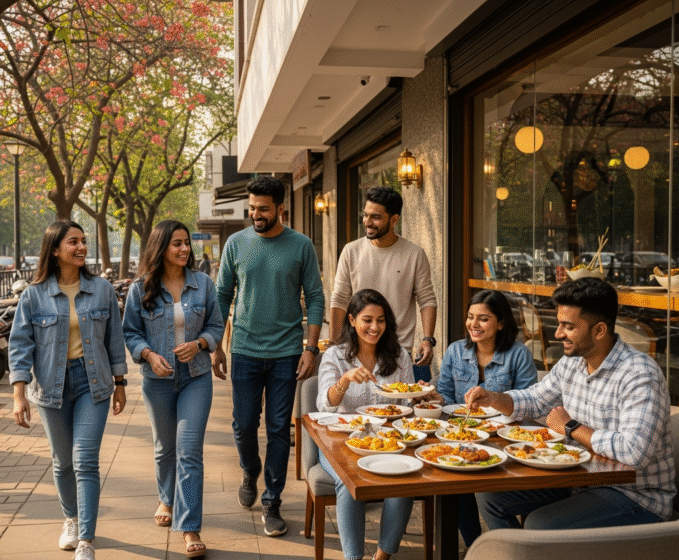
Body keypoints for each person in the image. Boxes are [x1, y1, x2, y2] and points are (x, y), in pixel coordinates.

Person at [467, 277, 675, 531]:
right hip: (578, 480)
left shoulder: (639, 374)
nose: (557, 333)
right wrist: (493, 398)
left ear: (599, 330)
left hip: (633, 496)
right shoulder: (574, 361)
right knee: (490, 496)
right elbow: (536, 399)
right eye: (559, 324)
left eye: (568, 326)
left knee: (539, 525)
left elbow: (636, 451)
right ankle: (519, 553)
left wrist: (571, 427)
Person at [213, 175, 325, 537]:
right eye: (252, 208)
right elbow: (222, 296)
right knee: (244, 425)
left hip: (287, 352)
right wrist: (216, 343)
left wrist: (311, 348)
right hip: (244, 349)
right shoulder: (236, 243)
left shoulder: (301, 245)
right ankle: (250, 470)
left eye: (263, 209)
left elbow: (316, 298)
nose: (256, 214)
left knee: (279, 429)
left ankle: (272, 501)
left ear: (281, 209)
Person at [9, 221, 127, 560]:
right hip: (50, 387)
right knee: (62, 463)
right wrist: (18, 395)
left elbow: (114, 341)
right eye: (73, 241)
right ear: (55, 249)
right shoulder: (33, 295)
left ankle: (87, 541)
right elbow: (20, 347)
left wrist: (120, 384)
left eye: (84, 241)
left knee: (85, 460)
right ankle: (71, 520)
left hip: (94, 384)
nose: (81, 247)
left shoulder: (102, 289)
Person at [122, 220, 224, 558]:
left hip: (196, 377)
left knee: (189, 450)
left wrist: (200, 343)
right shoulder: (141, 288)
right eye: (176, 244)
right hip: (157, 382)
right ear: (160, 247)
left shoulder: (204, 284)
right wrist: (149, 355)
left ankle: (189, 525)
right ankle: (167, 497)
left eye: (186, 244)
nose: (183, 250)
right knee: (165, 448)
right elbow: (131, 333)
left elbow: (216, 325)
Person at [431, 289, 537, 547]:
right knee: (454, 484)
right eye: (470, 317)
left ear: (501, 323)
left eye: (483, 318)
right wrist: (433, 399)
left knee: (477, 486)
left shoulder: (518, 354)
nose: (473, 324)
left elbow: (530, 402)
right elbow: (445, 395)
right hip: (461, 433)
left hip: (504, 439)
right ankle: (475, 546)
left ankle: (510, 548)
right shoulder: (456, 351)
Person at [316, 289, 415, 560]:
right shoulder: (335, 356)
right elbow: (325, 405)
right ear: (351, 320)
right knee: (350, 485)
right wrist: (345, 380)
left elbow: (408, 405)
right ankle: (353, 557)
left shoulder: (399, 356)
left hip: (387, 440)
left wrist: (423, 396)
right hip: (340, 442)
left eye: (381, 320)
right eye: (367, 320)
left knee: (404, 483)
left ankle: (383, 555)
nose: (374, 327)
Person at [329, 186, 437, 371]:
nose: (368, 222)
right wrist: (334, 344)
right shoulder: (351, 251)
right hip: (356, 348)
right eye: (366, 215)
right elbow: (339, 299)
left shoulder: (414, 254)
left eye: (376, 217)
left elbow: (427, 299)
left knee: (395, 400)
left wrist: (428, 339)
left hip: (397, 350)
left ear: (394, 219)